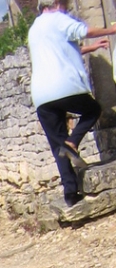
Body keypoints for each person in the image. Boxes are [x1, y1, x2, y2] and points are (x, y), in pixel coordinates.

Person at [28, 0, 116, 206]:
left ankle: (71, 195)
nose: (66, 9)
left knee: (57, 144)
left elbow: (61, 51)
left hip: (42, 96)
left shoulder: (34, 29)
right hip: (64, 87)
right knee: (93, 110)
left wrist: (91, 48)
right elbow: (82, 30)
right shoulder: (58, 19)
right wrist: (110, 30)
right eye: (65, 5)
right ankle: (74, 141)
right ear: (57, 4)